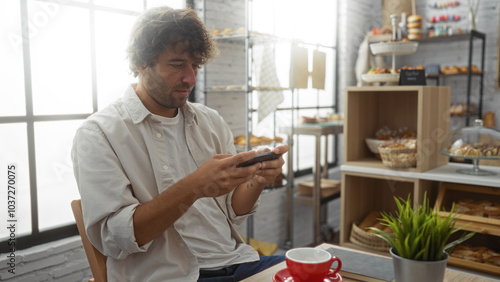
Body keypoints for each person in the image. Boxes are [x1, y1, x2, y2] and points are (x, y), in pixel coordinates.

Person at [71, 6, 289, 282]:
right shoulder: (99, 133)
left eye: (196, 65)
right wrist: (195, 186)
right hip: (170, 276)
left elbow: (235, 212)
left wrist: (257, 179)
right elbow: (115, 239)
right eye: (177, 65)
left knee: (326, 271)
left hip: (238, 261)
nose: (191, 78)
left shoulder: (209, 121)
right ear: (141, 62)